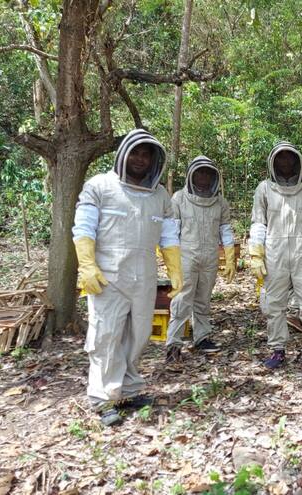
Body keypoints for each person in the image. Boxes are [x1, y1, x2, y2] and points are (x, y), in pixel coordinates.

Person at [72, 129, 183, 426]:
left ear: (154, 160)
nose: (140, 159)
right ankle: (104, 398)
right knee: (106, 336)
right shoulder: (99, 186)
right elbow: (83, 228)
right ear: (123, 154)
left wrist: (174, 269)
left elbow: (169, 234)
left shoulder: (160, 195)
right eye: (135, 152)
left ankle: (129, 390)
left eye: (146, 154)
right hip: (107, 276)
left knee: (139, 333)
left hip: (144, 274)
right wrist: (86, 265)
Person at [248, 141, 302, 370]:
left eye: (289, 157)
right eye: (280, 158)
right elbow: (259, 223)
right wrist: (256, 254)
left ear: (296, 161)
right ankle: (278, 349)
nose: (284, 162)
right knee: (274, 304)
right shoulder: (263, 189)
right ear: (273, 162)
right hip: (274, 253)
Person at [164, 155, 236, 364]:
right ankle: (174, 344)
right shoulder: (178, 199)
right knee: (182, 300)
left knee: (203, 299)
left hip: (210, 256)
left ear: (213, 177)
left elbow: (226, 230)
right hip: (186, 256)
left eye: (207, 173)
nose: (203, 177)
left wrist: (230, 257)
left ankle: (202, 338)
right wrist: (171, 260)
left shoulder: (220, 202)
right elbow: (171, 232)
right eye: (200, 172)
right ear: (191, 175)